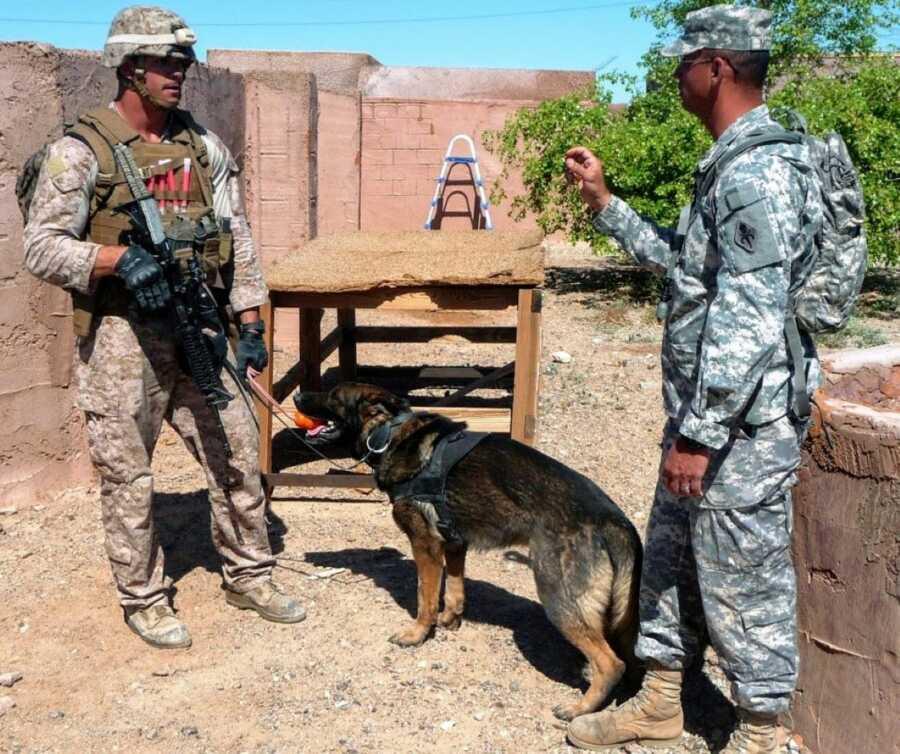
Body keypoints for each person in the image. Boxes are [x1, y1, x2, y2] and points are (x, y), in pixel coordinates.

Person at [563, 5, 822, 753]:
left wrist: (701, 436)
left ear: (717, 68)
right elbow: (689, 272)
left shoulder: (757, 172)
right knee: (672, 563)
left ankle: (761, 732)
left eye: (683, 64)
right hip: (705, 423)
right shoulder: (729, 163)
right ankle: (661, 702)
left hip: (739, 434)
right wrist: (605, 205)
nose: (674, 77)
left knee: (745, 582)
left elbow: (749, 315)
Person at [23, 5, 306, 649]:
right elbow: (41, 247)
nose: (179, 74)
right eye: (165, 63)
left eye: (183, 63)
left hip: (199, 327)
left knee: (237, 452)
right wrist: (115, 260)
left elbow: (236, 237)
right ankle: (144, 598)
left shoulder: (203, 147)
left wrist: (251, 322)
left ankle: (249, 574)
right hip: (123, 337)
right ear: (128, 68)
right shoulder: (80, 152)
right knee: (128, 476)